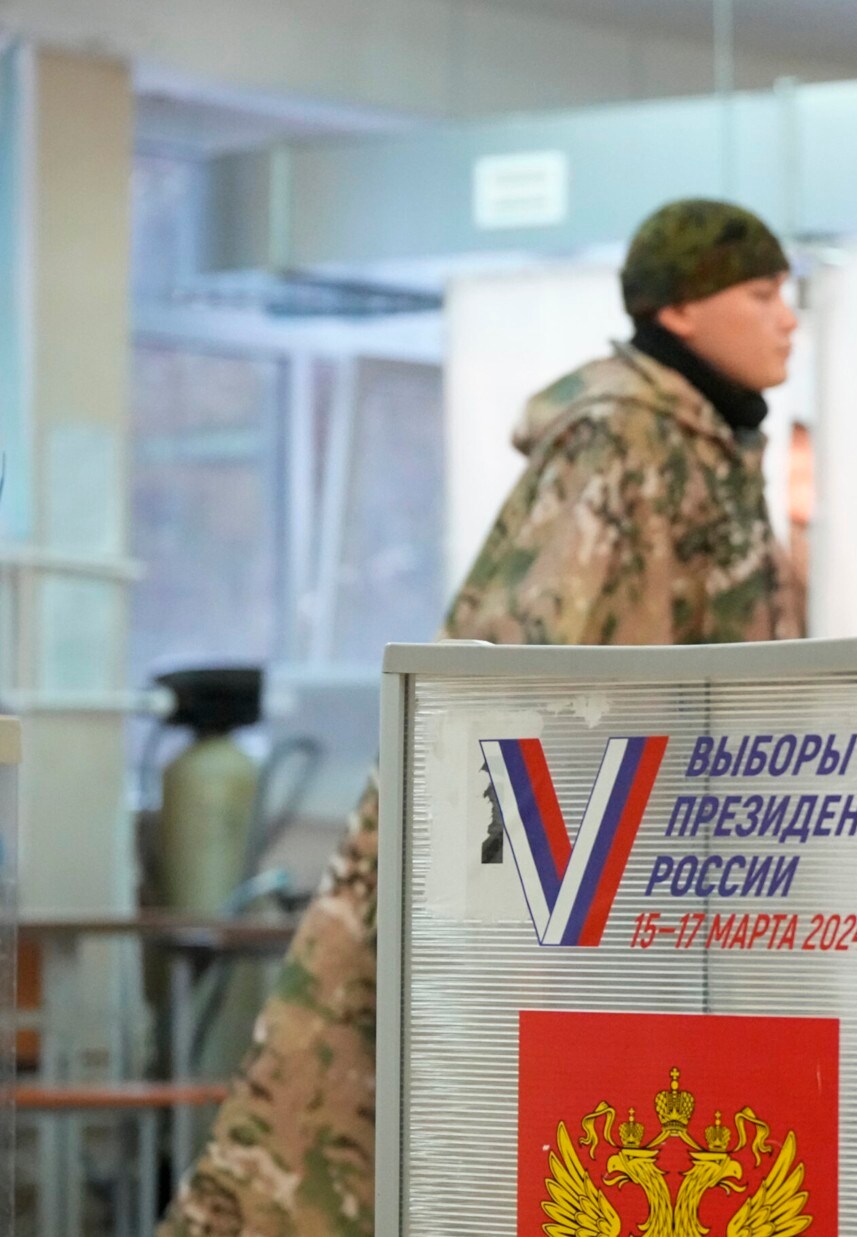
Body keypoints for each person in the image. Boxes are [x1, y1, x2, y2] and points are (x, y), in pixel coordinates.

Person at [158, 198, 805, 1236]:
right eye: (761, 293)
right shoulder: (619, 445)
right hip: (549, 890)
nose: (789, 318)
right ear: (679, 313)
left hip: (625, 895)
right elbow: (529, 698)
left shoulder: (708, 446)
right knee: (355, 1149)